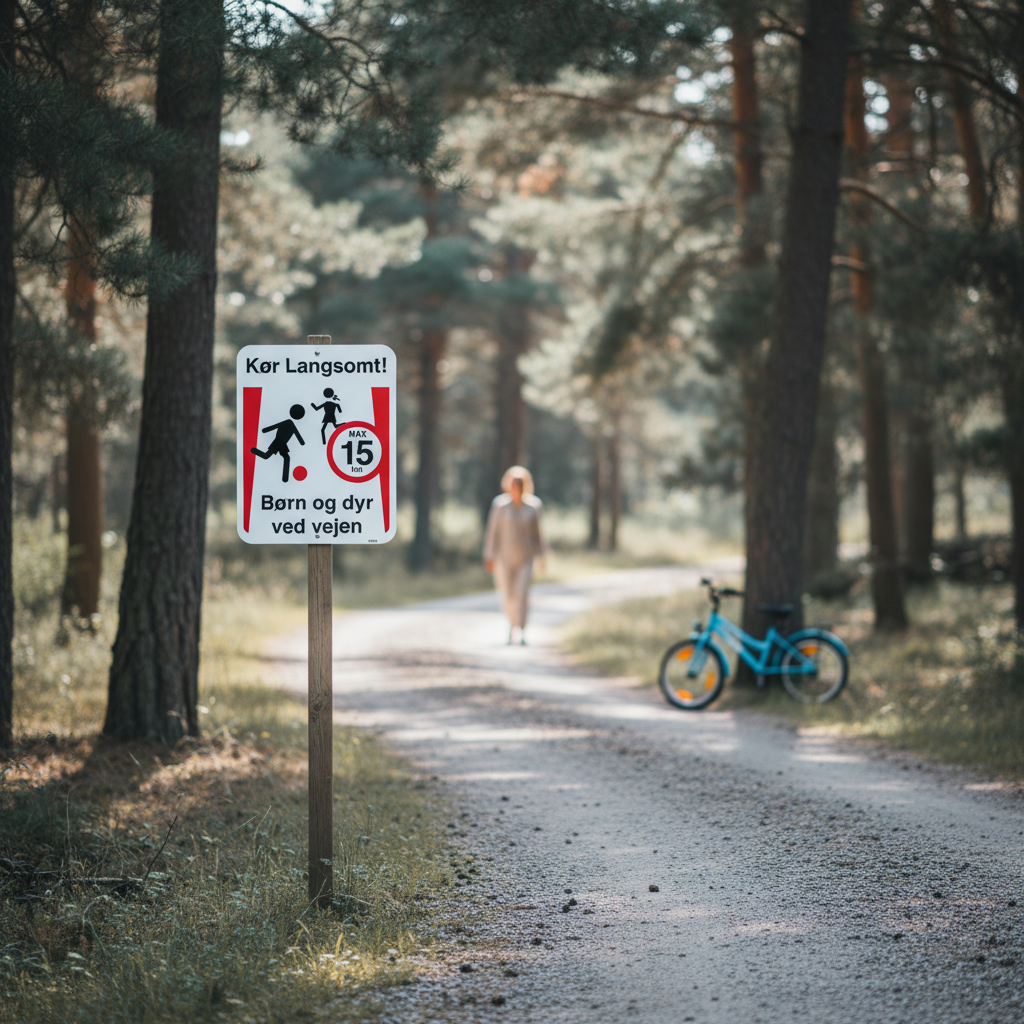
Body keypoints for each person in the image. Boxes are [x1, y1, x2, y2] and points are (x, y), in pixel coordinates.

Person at [484, 465, 547, 645]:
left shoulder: (534, 506)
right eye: (513, 483)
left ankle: (522, 629)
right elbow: (492, 532)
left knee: (522, 593)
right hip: (503, 558)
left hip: (526, 558)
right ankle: (511, 626)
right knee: (508, 595)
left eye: (519, 484)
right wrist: (489, 555)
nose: (516, 487)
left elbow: (539, 534)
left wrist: (542, 557)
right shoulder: (500, 505)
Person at [251, 404, 305, 483]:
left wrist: (264, 430)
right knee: (274, 457)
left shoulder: (289, 424)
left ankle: (285, 479)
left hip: (281, 444)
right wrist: (302, 442)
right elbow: (298, 436)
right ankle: (253, 450)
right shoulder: (289, 423)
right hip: (278, 442)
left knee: (280, 457)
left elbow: (297, 435)